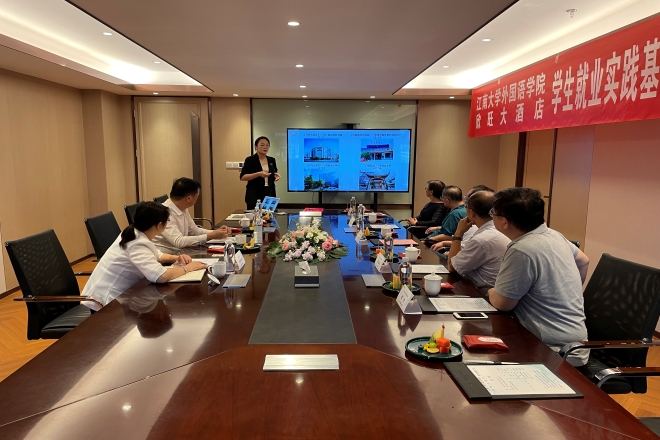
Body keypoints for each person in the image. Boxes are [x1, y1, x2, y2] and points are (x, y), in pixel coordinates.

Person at [487, 187, 590, 366]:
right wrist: (566, 291)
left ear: (504, 222)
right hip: (576, 344)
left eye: (492, 214)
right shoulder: (554, 235)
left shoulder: (522, 249)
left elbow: (503, 303)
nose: (491, 217)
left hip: (552, 351)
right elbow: (584, 261)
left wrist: (491, 291)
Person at [82, 202, 208, 311]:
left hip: (123, 297)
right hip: (106, 303)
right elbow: (161, 276)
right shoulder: (137, 242)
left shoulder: (135, 232)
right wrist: (188, 268)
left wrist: (175, 258)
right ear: (160, 225)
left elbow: (155, 254)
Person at [441, 190, 509, 289]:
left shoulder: (482, 239)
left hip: (481, 291)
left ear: (471, 212)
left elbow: (452, 267)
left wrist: (459, 233)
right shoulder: (500, 229)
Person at [153, 177, 229, 253]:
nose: (197, 198)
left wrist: (218, 232)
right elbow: (179, 241)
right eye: (197, 196)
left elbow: (194, 231)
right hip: (167, 256)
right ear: (188, 198)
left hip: (182, 252)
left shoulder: (182, 207)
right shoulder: (163, 213)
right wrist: (211, 236)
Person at [431, 184, 494, 249]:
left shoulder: (478, 238)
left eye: (466, 198)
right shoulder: (493, 228)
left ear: (472, 212)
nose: (464, 201)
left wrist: (459, 232)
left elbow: (454, 255)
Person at [240, 136, 281, 210]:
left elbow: (274, 172)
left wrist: (275, 176)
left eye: (267, 145)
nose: (265, 147)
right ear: (256, 147)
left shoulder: (272, 160)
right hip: (254, 194)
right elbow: (243, 177)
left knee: (269, 215)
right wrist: (259, 174)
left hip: (269, 193)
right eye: (262, 145)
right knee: (255, 216)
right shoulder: (250, 160)